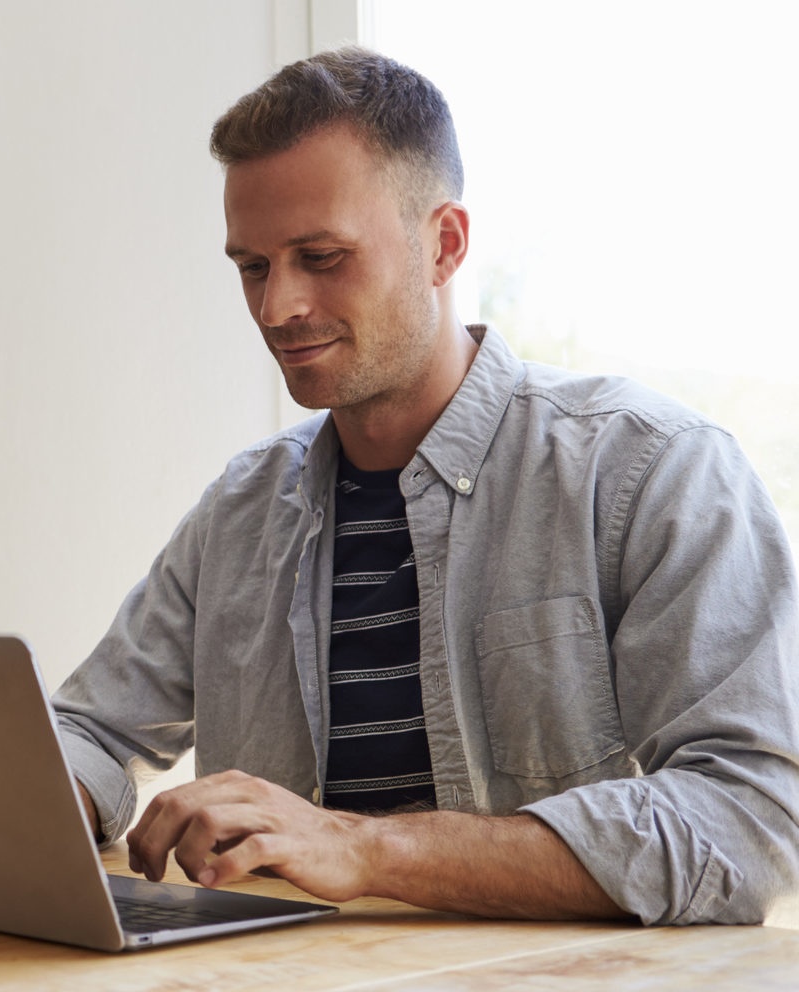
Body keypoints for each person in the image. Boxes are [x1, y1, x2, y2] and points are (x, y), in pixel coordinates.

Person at [50, 47, 799, 925]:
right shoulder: (240, 511)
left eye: (321, 257)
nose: (277, 307)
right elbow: (90, 730)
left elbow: (747, 820)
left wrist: (365, 849)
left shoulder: (653, 469)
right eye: (252, 266)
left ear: (443, 244)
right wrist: (33, 799)